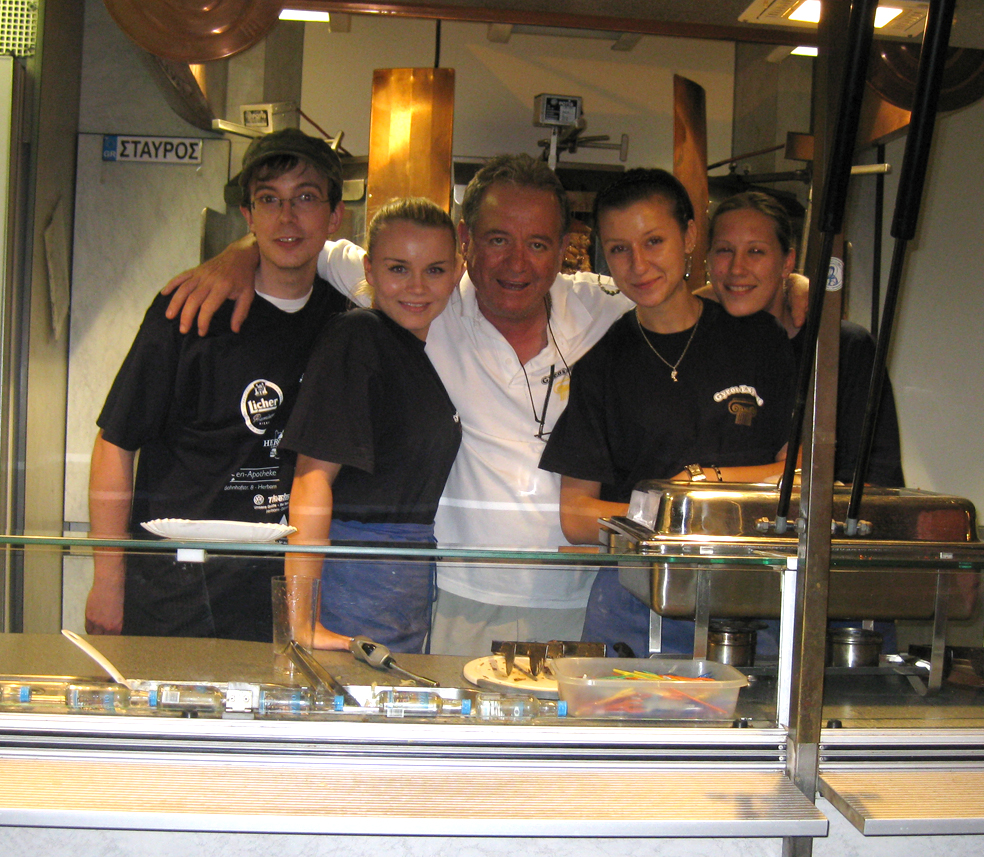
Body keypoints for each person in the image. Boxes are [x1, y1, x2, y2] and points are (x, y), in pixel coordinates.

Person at [161, 154, 633, 657]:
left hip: (558, 592)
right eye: (498, 240)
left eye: (537, 244)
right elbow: (303, 241)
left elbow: (667, 293)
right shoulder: (407, 312)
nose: (517, 262)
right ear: (467, 243)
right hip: (446, 593)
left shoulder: (596, 305)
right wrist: (239, 252)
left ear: (562, 247)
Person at [85, 128, 349, 640]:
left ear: (334, 216)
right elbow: (115, 444)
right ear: (248, 215)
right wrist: (108, 581)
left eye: (305, 198)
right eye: (268, 199)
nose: (286, 217)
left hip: (284, 593)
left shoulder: (344, 323)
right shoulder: (188, 312)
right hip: (175, 592)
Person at [539, 169, 796, 658]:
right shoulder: (602, 364)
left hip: (754, 599)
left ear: (690, 237)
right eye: (619, 249)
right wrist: (677, 513)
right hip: (638, 601)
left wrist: (699, 483)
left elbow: (801, 472)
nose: (638, 265)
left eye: (653, 241)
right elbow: (576, 514)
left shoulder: (760, 341)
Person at [281, 198, 462, 653]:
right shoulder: (357, 335)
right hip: (351, 577)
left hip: (401, 581)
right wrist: (302, 620)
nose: (417, 286)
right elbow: (310, 480)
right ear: (369, 268)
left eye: (435, 270)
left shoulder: (411, 349)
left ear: (457, 272)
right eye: (398, 268)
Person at [706, 190, 904, 487]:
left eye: (756, 251)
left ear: (788, 262)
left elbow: (877, 483)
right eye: (724, 250)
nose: (737, 268)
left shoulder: (841, 349)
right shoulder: (697, 351)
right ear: (708, 260)